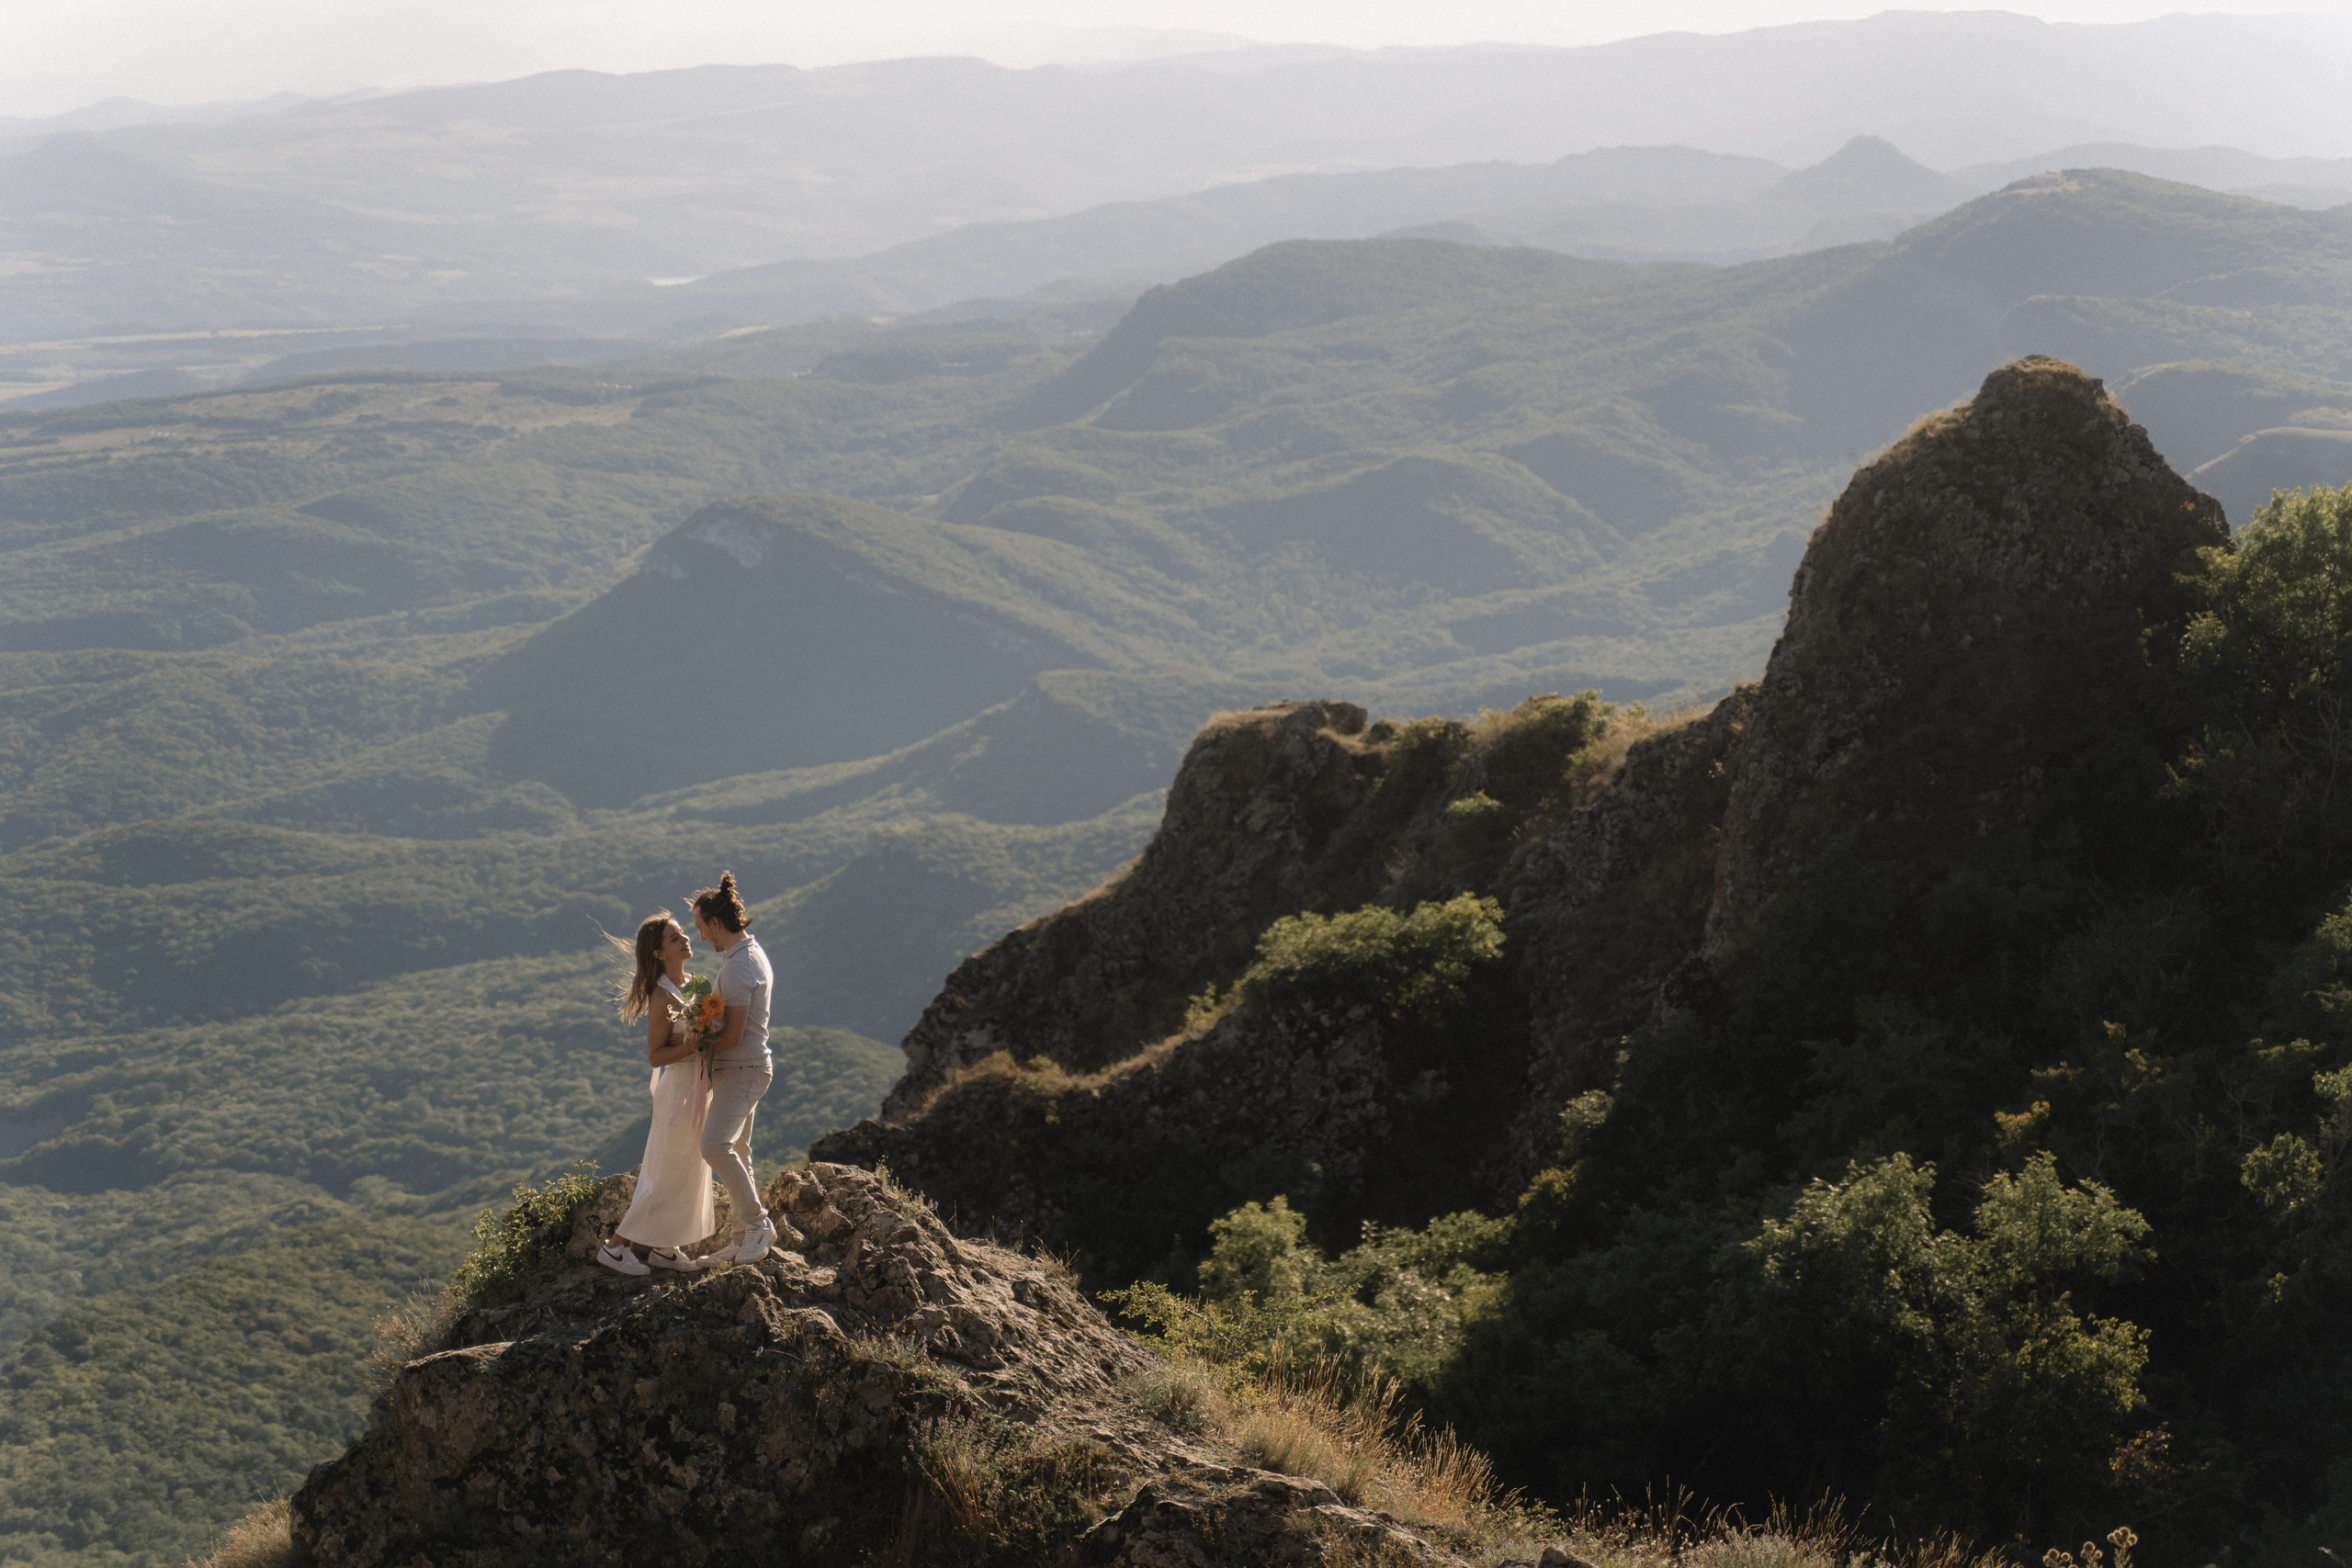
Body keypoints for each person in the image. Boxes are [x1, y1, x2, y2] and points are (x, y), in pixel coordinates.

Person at [594, 911, 716, 1277]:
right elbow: (655, 1055)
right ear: (659, 954)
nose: (685, 940)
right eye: (675, 938)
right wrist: (695, 1046)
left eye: (682, 934)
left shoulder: (695, 985)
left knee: (688, 1167)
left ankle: (665, 1245)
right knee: (663, 1171)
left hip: (699, 1086)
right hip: (677, 1091)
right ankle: (616, 1247)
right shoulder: (663, 997)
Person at [691, 872, 783, 1264]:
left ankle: (759, 1224)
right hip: (746, 1069)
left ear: (716, 924)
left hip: (743, 1069)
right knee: (739, 1150)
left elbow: (731, 1036)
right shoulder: (746, 955)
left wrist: (694, 1040)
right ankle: (741, 1235)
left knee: (713, 1145)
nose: (700, 938)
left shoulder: (738, 967)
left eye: (701, 929)